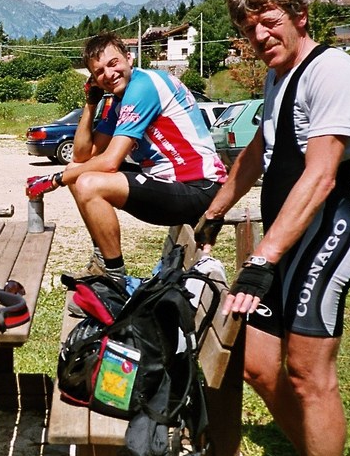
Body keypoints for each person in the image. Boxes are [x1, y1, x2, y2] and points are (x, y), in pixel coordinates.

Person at [196, 0, 350, 456]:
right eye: (251, 28)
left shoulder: (333, 71)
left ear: (299, 16)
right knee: (259, 366)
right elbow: (258, 151)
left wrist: (262, 261)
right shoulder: (278, 76)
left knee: (308, 373)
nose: (261, 35)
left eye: (269, 22)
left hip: (323, 239)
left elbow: (319, 177)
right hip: (285, 244)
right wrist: (217, 209)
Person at [27, 31, 227, 285]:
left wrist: (56, 178)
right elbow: (82, 155)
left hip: (199, 187)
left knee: (87, 182)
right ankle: (102, 262)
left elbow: (110, 161)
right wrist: (90, 104)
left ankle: (113, 279)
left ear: (129, 59)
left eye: (113, 64)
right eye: (99, 72)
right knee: (80, 173)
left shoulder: (143, 87)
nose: (109, 74)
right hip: (170, 185)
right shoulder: (119, 101)